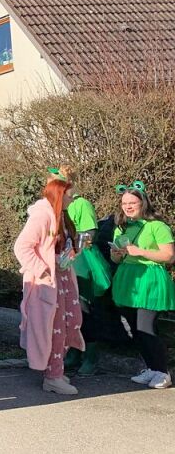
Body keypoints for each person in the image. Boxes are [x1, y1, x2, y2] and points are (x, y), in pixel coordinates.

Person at [13, 178, 85, 395]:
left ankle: (56, 369)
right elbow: (22, 246)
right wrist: (42, 270)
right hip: (47, 281)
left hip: (61, 278)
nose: (72, 200)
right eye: (70, 196)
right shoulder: (42, 215)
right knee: (53, 328)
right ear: (59, 195)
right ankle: (52, 377)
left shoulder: (59, 215)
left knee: (68, 322)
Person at [110, 181, 175, 389]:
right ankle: (151, 368)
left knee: (145, 327)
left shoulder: (158, 226)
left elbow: (169, 255)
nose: (128, 206)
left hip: (149, 279)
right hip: (128, 280)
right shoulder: (122, 227)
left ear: (143, 203)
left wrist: (141, 251)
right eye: (124, 203)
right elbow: (116, 260)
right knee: (134, 329)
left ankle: (163, 372)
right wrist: (117, 254)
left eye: (132, 202)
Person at [48, 167, 112, 376]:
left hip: (80, 261)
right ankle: (74, 353)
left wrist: (70, 249)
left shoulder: (80, 203)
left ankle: (91, 357)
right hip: (65, 261)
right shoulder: (55, 206)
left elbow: (89, 233)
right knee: (69, 310)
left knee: (85, 309)